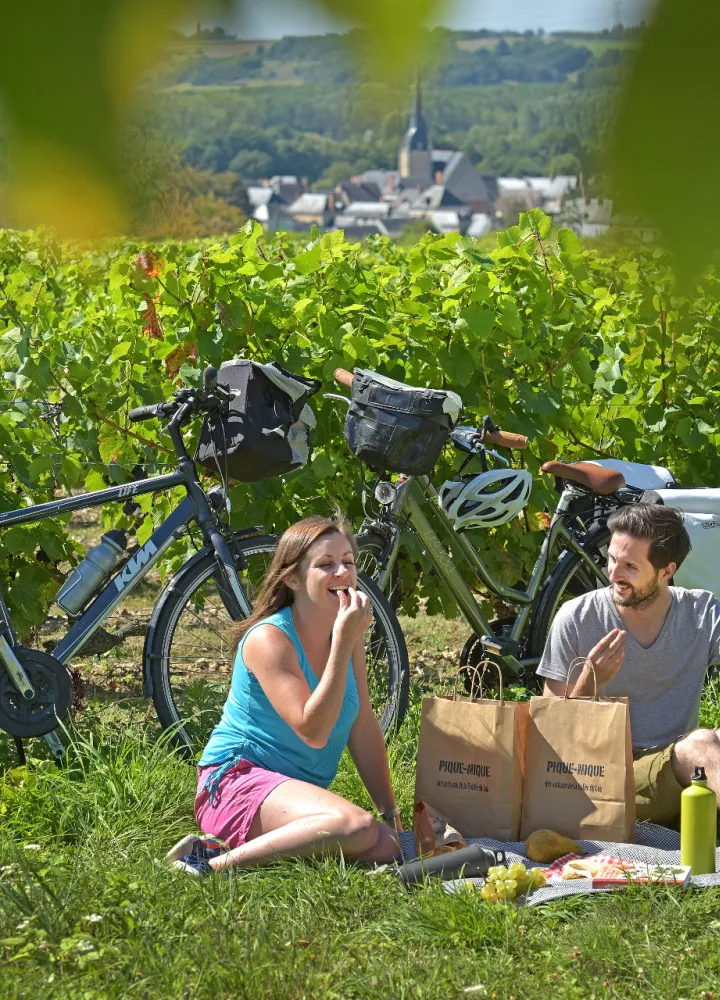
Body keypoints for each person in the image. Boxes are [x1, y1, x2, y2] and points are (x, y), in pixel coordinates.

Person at [166, 514, 403, 874]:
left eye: (348, 562)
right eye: (325, 564)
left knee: (388, 846)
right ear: (292, 578)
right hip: (235, 780)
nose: (343, 573)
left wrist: (391, 813)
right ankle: (209, 865)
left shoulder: (347, 636)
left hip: (288, 792)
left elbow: (363, 726)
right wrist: (342, 641)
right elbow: (313, 730)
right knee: (356, 826)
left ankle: (234, 845)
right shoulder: (269, 640)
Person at [537, 503, 720, 829]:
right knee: (701, 746)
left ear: (667, 571)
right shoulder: (577, 617)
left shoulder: (702, 612)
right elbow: (551, 738)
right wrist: (590, 683)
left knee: (704, 745)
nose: (614, 574)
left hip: (674, 766)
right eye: (611, 559)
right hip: (601, 778)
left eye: (630, 566)